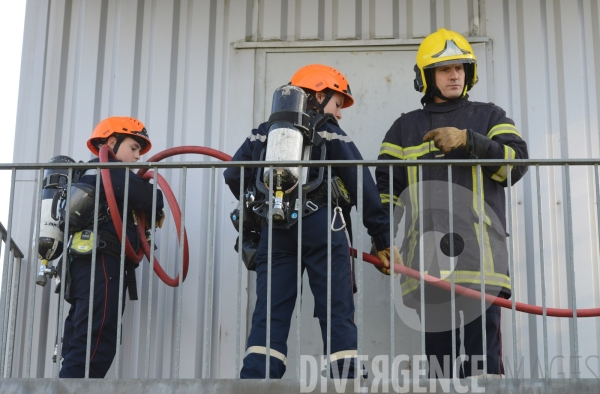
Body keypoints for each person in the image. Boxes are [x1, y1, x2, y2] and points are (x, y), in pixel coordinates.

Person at [224, 64, 400, 379]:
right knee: (336, 309)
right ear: (319, 94)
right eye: (337, 103)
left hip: (275, 228)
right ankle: (344, 377)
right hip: (322, 225)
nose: (340, 114)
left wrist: (264, 200)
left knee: (269, 313)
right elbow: (362, 183)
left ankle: (257, 377)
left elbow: (233, 174)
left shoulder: (264, 131)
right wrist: (383, 239)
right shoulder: (329, 130)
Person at [375, 28, 528, 378]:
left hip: (482, 262)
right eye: (445, 69)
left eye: (460, 67)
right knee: (440, 372)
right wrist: (383, 240)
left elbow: (515, 165)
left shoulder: (490, 117)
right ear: (426, 76)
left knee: (484, 368)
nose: (455, 75)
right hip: (429, 266)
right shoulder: (404, 129)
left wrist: (470, 141)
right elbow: (384, 193)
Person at [59, 116, 165, 378]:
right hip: (101, 263)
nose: (138, 157)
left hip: (85, 266)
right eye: (134, 147)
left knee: (81, 337)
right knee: (97, 340)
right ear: (112, 142)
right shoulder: (109, 171)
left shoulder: (88, 172)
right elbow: (153, 197)